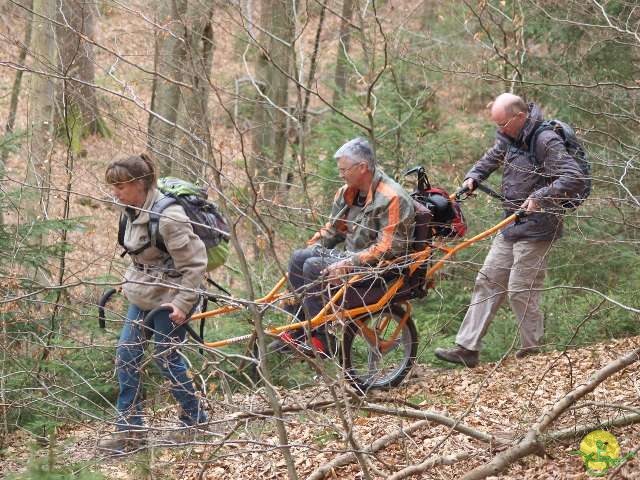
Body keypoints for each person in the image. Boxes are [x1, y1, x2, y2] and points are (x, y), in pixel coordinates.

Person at [434, 93, 586, 367]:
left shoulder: (544, 139)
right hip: (512, 223)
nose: (500, 130)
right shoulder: (510, 137)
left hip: (540, 227)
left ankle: (533, 352)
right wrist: (473, 177)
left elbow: (573, 177)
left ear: (520, 116)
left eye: (503, 124)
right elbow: (492, 156)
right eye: (497, 125)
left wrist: (540, 196)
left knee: (521, 288)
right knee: (488, 279)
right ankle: (467, 349)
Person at [98, 153, 209, 452]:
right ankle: (130, 432)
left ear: (140, 183)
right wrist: (127, 283)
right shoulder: (129, 209)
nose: (115, 192)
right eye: (113, 186)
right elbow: (139, 255)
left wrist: (183, 304)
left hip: (171, 297)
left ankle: (195, 422)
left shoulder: (170, 217)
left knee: (166, 359)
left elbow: (196, 265)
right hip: (144, 294)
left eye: (120, 185)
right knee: (127, 356)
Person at [269, 137, 416, 355]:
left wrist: (349, 263)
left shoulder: (392, 197)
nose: (341, 174)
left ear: (362, 167)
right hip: (352, 258)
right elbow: (333, 230)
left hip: (380, 268)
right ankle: (300, 330)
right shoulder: (347, 193)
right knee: (300, 257)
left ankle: (321, 338)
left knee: (312, 266)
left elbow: (391, 247)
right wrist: (313, 246)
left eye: (344, 169)